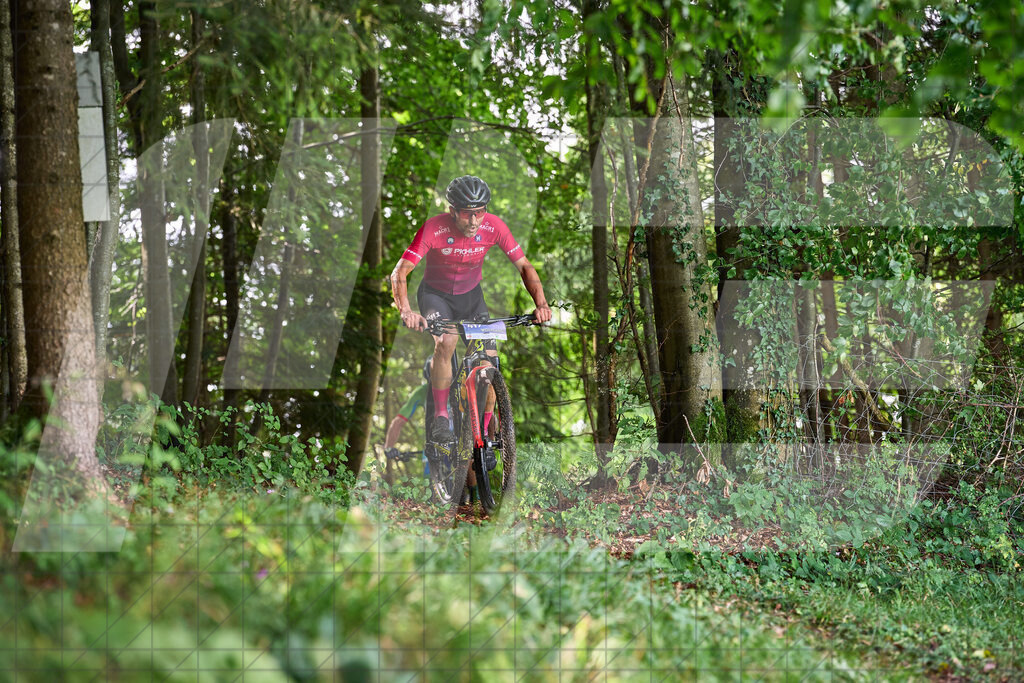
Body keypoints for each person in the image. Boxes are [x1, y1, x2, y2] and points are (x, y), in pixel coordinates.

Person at [390, 175, 552, 443]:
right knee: (446, 342)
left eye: (480, 212)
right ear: (452, 210)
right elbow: (400, 272)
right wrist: (406, 310)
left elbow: (524, 266)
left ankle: (484, 432)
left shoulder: (494, 226)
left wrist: (541, 304)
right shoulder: (434, 229)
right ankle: (441, 416)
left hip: (471, 298)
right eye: (467, 213)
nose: (474, 221)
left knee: (489, 357)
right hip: (436, 296)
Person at [383, 358, 432, 471]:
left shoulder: (459, 387)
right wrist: (389, 447)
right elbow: (398, 422)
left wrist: (389, 448)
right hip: (434, 448)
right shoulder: (422, 392)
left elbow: (398, 421)